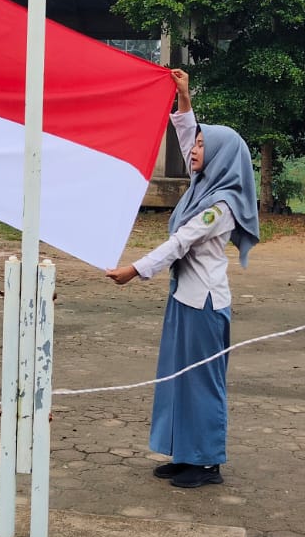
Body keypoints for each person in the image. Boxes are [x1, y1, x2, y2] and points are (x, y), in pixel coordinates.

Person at [106, 69, 259, 490]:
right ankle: (185, 454)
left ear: (221, 157)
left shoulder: (220, 206)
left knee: (201, 382)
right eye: (197, 143)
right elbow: (187, 134)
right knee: (178, 377)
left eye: (204, 146)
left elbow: (180, 242)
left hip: (204, 305)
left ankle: (207, 463)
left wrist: (135, 270)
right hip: (185, 299)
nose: (194, 149)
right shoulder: (203, 186)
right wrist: (184, 97)